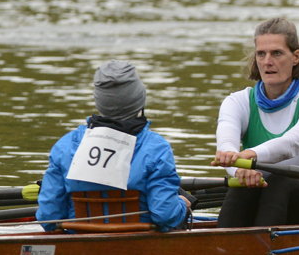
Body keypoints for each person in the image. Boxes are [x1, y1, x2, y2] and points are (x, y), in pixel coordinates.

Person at [212, 17, 299, 227]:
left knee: (281, 180)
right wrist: (238, 170)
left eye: (276, 53)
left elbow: (291, 144)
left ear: (295, 57)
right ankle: (222, 247)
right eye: (261, 54)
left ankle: (259, 250)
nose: (267, 61)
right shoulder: (237, 102)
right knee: (243, 185)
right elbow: (226, 144)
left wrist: (249, 156)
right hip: (264, 201)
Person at [37, 60, 192, 232]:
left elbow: (48, 217)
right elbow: (165, 216)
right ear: (138, 99)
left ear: (100, 101)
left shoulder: (64, 146)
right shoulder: (157, 148)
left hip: (81, 248)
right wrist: (182, 205)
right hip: (140, 247)